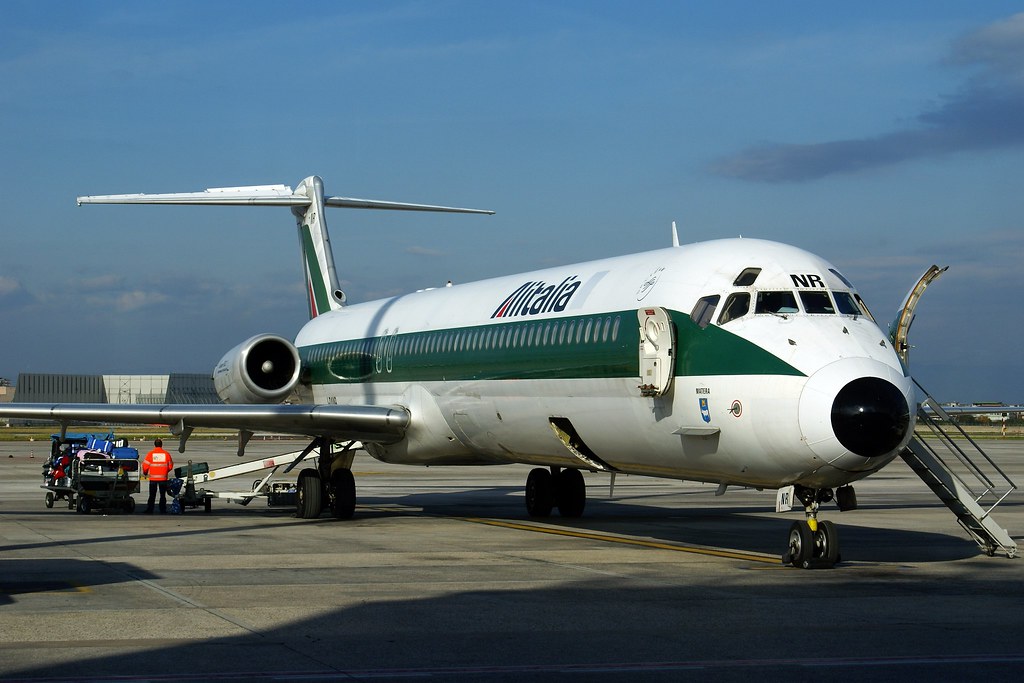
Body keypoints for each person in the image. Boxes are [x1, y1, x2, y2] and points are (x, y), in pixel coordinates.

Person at [141, 438, 175, 514]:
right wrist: (164, 471)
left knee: (152, 495)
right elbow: (170, 466)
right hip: (163, 478)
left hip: (153, 478)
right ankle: (162, 510)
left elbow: (145, 466)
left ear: (154, 445)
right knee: (163, 495)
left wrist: (145, 472)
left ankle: (150, 509)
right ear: (161, 445)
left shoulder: (151, 454)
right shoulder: (166, 454)